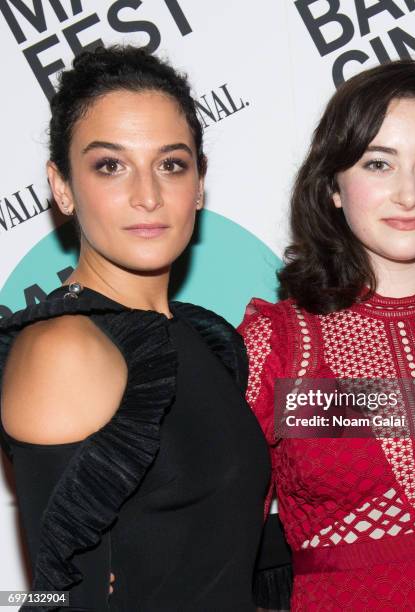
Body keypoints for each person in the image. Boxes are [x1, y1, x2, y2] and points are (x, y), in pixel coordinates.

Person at [239, 59, 415, 610]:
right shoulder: (279, 344)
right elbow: (220, 543)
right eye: (378, 164)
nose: (409, 194)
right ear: (333, 188)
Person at [0, 45, 270, 611]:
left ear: (199, 184)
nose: (148, 195)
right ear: (62, 186)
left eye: (172, 164)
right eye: (110, 165)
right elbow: (59, 599)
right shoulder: (63, 347)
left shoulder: (203, 338)